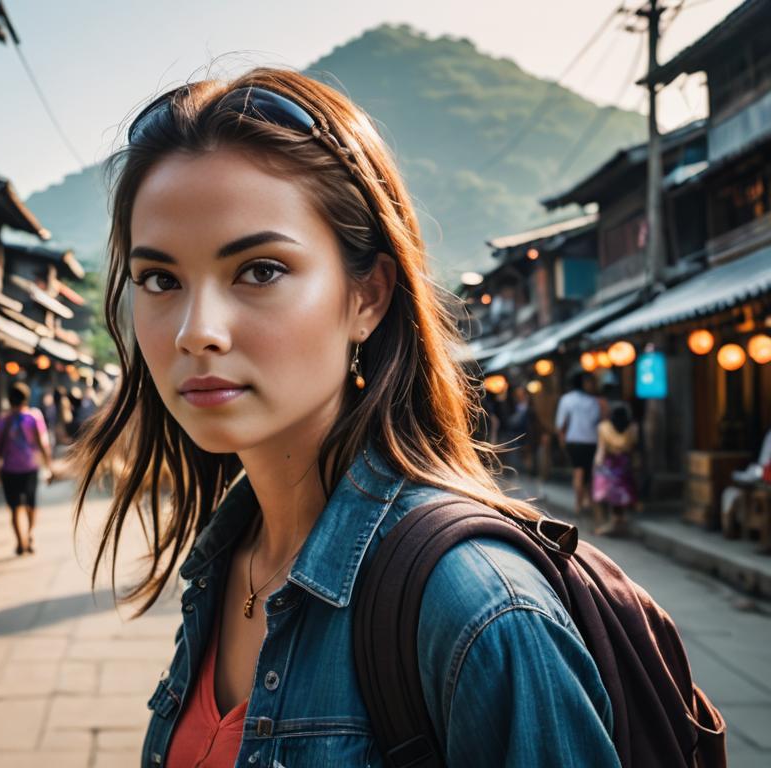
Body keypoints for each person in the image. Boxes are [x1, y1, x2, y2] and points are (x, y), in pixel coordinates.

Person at [74, 70, 618, 766]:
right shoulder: (229, 560)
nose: (195, 331)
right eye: (160, 279)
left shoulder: (476, 609)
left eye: (260, 270)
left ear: (367, 296)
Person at [0, 382, 53, 555]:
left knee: (15, 507)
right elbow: (42, 443)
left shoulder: (3, 420)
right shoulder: (34, 416)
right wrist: (49, 465)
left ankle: (20, 541)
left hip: (9, 469)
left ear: (9, 400)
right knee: (31, 504)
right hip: (30, 467)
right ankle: (29, 535)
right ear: (26, 398)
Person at [555, 371, 602, 518]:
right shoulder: (594, 401)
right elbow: (597, 421)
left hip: (573, 441)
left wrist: (562, 442)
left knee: (578, 472)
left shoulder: (566, 399)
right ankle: (587, 502)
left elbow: (560, 424)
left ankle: (578, 505)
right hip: (592, 441)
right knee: (588, 473)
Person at [592, 403, 639, 536]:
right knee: (622, 496)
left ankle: (608, 523)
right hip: (624, 464)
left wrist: (597, 463)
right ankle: (619, 521)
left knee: (607, 495)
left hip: (609, 464)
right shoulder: (632, 427)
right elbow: (633, 446)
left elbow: (601, 448)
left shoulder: (603, 427)